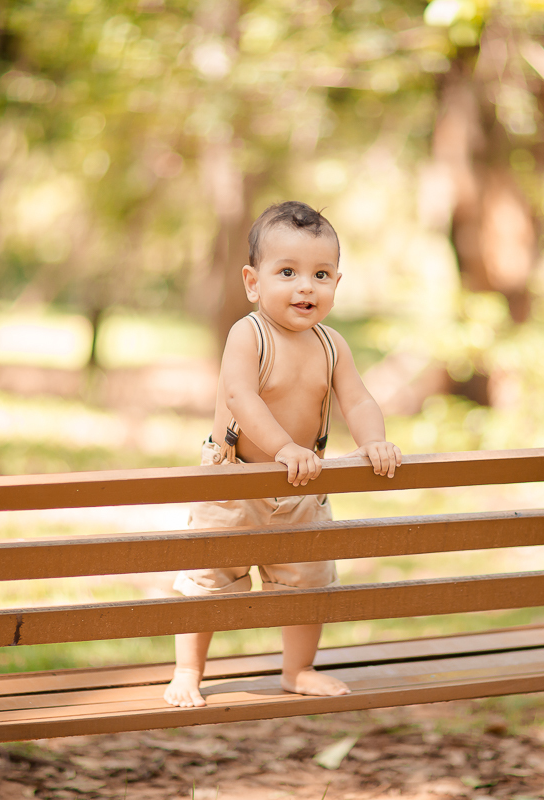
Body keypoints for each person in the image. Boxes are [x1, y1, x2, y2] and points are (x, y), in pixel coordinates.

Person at [163, 201, 402, 708]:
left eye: (321, 274)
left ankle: (299, 669)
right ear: (253, 282)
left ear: (339, 281)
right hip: (234, 483)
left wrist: (372, 440)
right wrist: (283, 447)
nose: (305, 287)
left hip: (301, 485)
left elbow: (357, 399)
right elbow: (240, 398)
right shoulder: (248, 334)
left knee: (307, 582)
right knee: (208, 579)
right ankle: (188, 670)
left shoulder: (332, 345)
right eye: (287, 272)